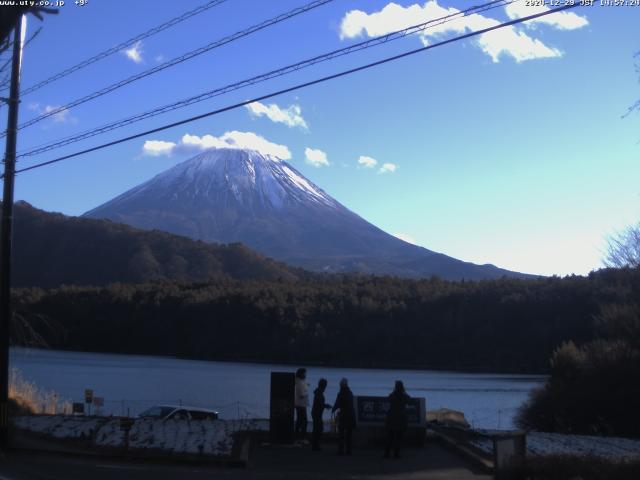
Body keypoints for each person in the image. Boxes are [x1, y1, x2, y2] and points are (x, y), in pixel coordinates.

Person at [384, 380, 411, 459]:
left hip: (391, 418)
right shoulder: (404, 396)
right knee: (398, 437)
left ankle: (387, 453)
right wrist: (404, 392)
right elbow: (409, 400)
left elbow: (388, 399)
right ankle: (396, 454)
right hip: (400, 418)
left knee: (390, 437)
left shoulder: (392, 395)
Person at [332, 377, 356, 455]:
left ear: (341, 385)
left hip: (344, 415)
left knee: (341, 434)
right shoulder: (350, 393)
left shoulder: (341, 393)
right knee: (349, 434)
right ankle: (349, 450)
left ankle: (341, 450)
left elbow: (337, 403)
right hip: (351, 415)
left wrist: (333, 409)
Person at [311, 378, 332, 451]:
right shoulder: (319, 393)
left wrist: (325, 405)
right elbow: (320, 404)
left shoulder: (318, 393)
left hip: (316, 412)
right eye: (325, 385)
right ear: (323, 386)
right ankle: (315, 446)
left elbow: (319, 404)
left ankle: (315, 445)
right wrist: (326, 406)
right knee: (318, 429)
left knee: (317, 429)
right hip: (317, 413)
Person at [294, 368, 309, 441]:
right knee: (303, 421)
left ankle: (297, 436)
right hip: (300, 405)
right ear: (301, 374)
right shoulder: (299, 382)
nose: (305, 375)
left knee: (300, 421)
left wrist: (306, 386)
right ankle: (301, 437)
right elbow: (301, 394)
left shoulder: (300, 381)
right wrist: (306, 392)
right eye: (304, 373)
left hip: (301, 404)